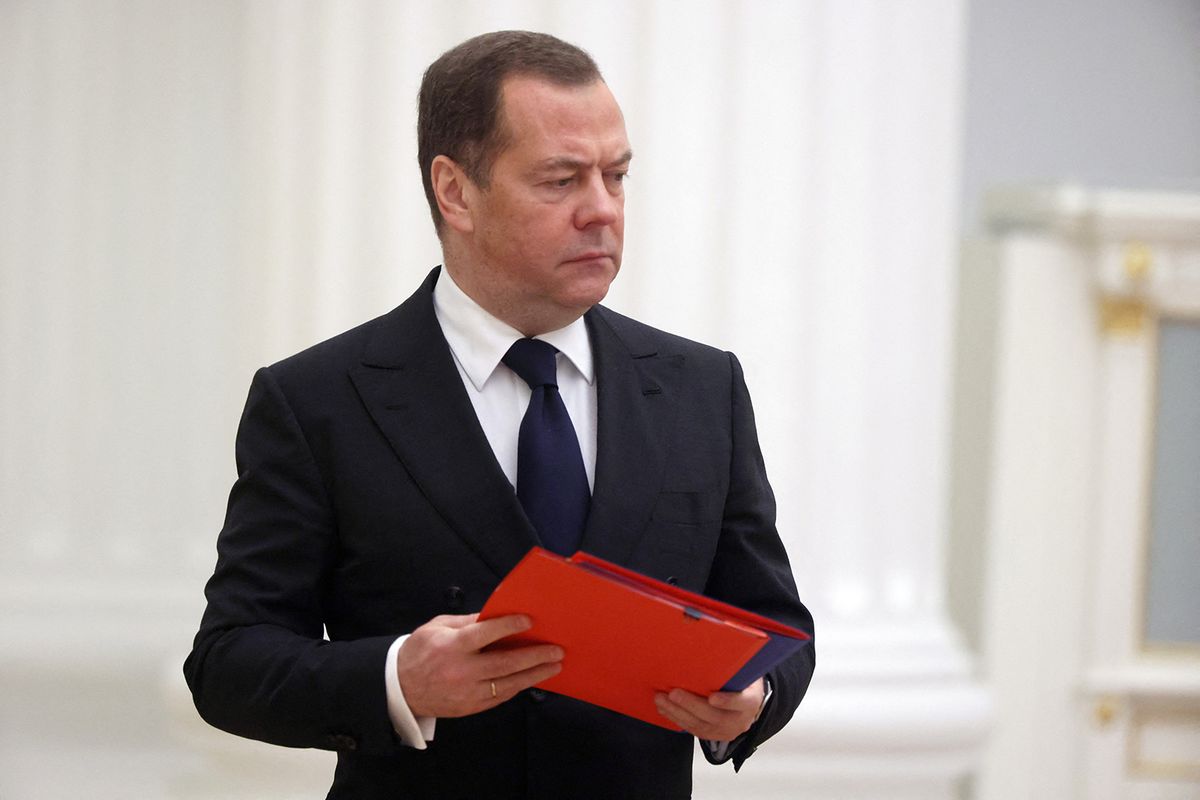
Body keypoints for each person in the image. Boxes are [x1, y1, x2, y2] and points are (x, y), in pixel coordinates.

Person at [185, 29, 814, 800]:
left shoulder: (701, 387)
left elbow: (778, 629)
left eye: (616, 177)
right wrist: (396, 679)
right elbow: (228, 662)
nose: (602, 211)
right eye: (560, 180)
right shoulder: (318, 399)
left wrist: (753, 701)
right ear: (455, 192)